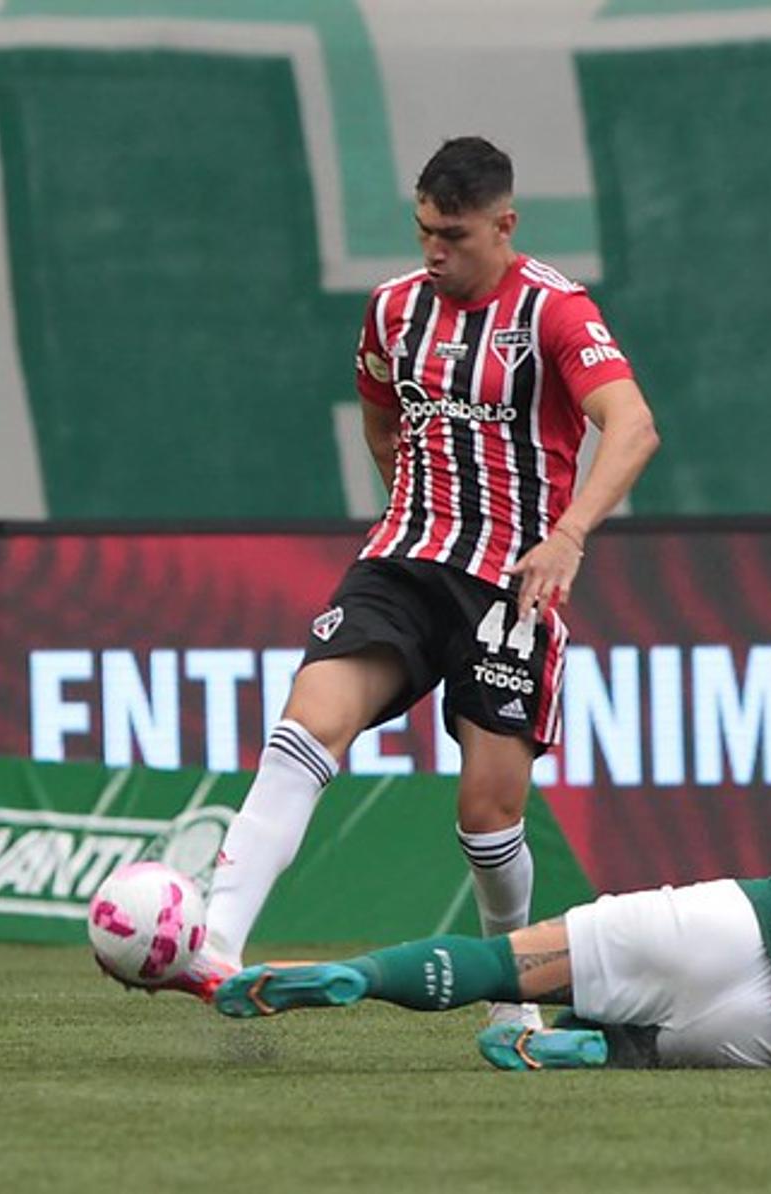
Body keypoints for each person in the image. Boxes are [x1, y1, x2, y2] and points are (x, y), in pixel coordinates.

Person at [163, 136, 661, 1032]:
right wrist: (408, 500)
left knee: (486, 816)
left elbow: (632, 424)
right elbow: (378, 410)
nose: (435, 251)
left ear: (504, 226)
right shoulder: (393, 310)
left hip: (510, 586)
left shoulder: (555, 311)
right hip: (402, 563)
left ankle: (514, 1000)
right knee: (307, 723)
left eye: (455, 235)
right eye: (425, 230)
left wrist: (568, 536)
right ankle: (218, 947)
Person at [211, 730, 771, 1073]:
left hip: (740, 925)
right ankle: (586, 1049)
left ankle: (360, 977)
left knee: (514, 961)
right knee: (646, 1049)